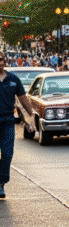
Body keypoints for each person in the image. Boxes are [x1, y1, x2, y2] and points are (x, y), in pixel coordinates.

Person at [0, 54, 33, 200]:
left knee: (7, 154)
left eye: (0, 59)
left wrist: (31, 116)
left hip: (7, 121)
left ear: (4, 61)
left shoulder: (13, 79)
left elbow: (23, 98)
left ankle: (1, 183)